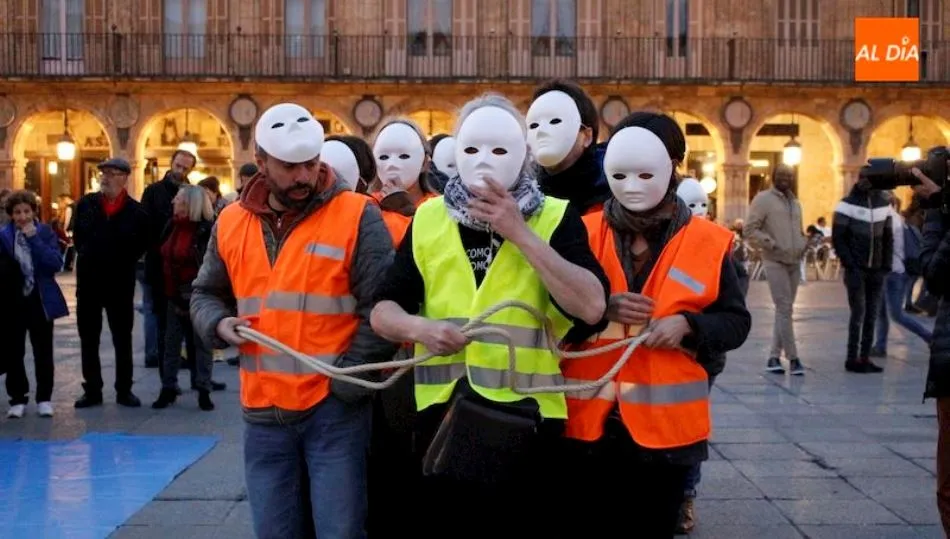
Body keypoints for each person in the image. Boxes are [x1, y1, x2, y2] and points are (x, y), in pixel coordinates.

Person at [370, 93, 609, 537]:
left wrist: (519, 231)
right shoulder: (427, 219)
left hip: (529, 420)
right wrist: (420, 327)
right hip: (443, 419)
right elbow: (383, 310)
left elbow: (592, 306)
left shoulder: (556, 217)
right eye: (472, 148)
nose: (485, 161)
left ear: (524, 157)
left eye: (500, 150)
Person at [190, 102, 397, 539]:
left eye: (311, 163)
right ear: (261, 162)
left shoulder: (357, 214)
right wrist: (219, 325)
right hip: (263, 410)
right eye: (289, 166)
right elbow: (206, 292)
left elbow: (383, 306)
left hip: (333, 412)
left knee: (339, 531)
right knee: (275, 532)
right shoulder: (229, 221)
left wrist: (345, 382)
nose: (303, 176)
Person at [560, 112, 750, 538]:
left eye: (646, 170)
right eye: (622, 171)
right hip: (590, 424)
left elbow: (735, 322)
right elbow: (551, 313)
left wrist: (688, 324)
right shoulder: (582, 231)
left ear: (671, 168)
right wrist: (598, 307)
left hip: (666, 434)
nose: (632, 184)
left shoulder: (709, 241)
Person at [72, 158, 150, 408]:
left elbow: (142, 244)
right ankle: (92, 389)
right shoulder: (86, 205)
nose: (104, 177)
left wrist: (121, 259)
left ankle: (124, 389)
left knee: (122, 337)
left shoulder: (136, 212)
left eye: (111, 173)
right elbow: (78, 238)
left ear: (124, 177)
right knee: (89, 337)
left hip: (120, 283)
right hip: (89, 282)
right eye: (102, 172)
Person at [1, 190, 68, 418]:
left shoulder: (45, 232)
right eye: (17, 212)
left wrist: (33, 239)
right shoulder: (3, 236)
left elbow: (54, 263)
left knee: (43, 350)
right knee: (13, 351)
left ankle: (44, 398)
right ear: (11, 214)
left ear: (33, 212)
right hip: (13, 299)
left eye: (26, 211)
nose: (22, 217)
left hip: (40, 298)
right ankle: (17, 398)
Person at [152, 185, 217, 411]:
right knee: (170, 344)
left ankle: (203, 390)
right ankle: (168, 388)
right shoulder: (172, 226)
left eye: (178, 199)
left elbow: (211, 265)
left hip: (197, 294)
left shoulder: (205, 230)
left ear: (189, 203)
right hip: (172, 294)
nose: (173, 203)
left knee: (201, 345)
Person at [745, 164, 807, 375]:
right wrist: (769, 243)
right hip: (775, 260)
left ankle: (773, 357)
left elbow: (798, 229)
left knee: (784, 310)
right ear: (773, 177)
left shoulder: (795, 202)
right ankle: (793, 357)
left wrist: (803, 242)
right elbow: (750, 229)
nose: (785, 179)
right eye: (781, 175)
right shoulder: (763, 200)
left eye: (788, 175)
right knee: (784, 307)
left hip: (794, 261)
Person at [142, 150, 197, 374]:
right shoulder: (153, 192)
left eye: (185, 168)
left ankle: (194, 371)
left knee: (189, 323)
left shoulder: (193, 193)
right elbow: (145, 226)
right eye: (178, 165)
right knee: (158, 315)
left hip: (184, 268)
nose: (180, 171)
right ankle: (158, 360)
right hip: (159, 264)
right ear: (171, 163)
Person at [832, 182, 893, 373]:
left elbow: (888, 237)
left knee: (872, 314)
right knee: (858, 313)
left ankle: (865, 357)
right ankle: (852, 358)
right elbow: (838, 237)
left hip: (876, 270)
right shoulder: (846, 204)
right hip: (856, 269)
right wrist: (850, 264)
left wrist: (886, 265)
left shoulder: (884, 204)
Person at [526, 79, 610, 215]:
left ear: (587, 136)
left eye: (555, 121)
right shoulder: (524, 198)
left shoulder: (613, 198)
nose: (541, 132)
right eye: (534, 125)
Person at [871, 197, 932, 358]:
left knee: (896, 314)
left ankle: (929, 337)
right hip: (893, 271)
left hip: (893, 272)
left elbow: (882, 247)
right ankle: (880, 346)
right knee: (881, 312)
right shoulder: (899, 219)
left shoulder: (888, 220)